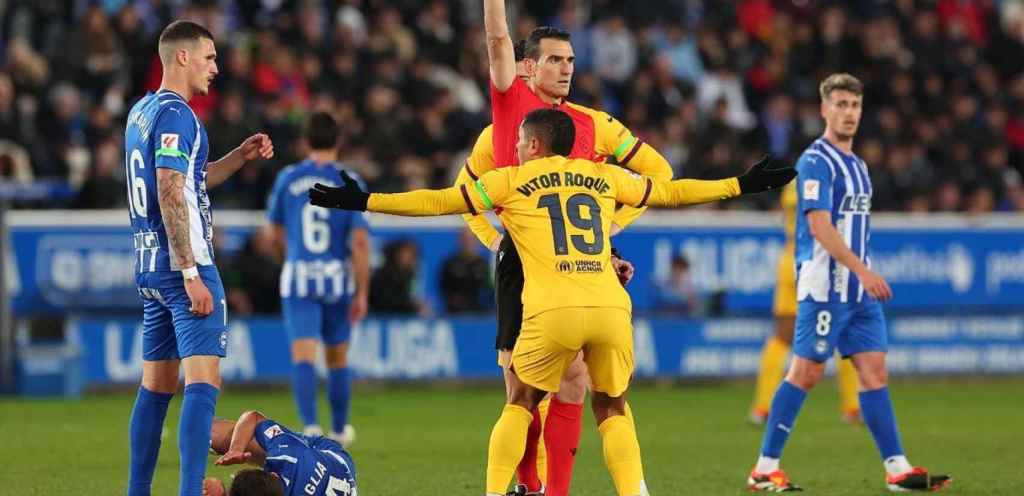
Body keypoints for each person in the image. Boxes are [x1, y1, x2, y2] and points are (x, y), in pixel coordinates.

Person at [308, 107, 795, 496]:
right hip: (608, 307)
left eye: (520, 140)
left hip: (551, 311)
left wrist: (365, 201)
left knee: (521, 401)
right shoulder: (602, 178)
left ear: (535, 145)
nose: (515, 147)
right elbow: (671, 192)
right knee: (612, 407)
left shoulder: (511, 182)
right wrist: (741, 184)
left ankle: (497, 493)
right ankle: (637, 491)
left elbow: (437, 201)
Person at [468, 0, 678, 490]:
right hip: (521, 259)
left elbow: (656, 175)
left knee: (574, 383)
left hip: (579, 262)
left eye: (570, 60)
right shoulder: (509, 107)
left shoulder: (590, 126)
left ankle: (552, 490)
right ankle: (529, 485)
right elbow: (495, 38)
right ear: (529, 65)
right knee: (521, 389)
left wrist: (610, 232)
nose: (565, 68)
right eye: (555, 59)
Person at [746, 74, 951, 493]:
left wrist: (861, 274)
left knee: (874, 371)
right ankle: (764, 468)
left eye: (855, 105)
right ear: (824, 110)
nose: (849, 113)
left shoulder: (858, 166)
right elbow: (819, 226)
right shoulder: (815, 161)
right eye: (840, 104)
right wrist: (863, 270)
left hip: (858, 292)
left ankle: (897, 469)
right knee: (804, 372)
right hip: (825, 287)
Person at [124, 20, 274, 496]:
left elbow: (189, 178)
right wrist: (191, 271)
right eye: (209, 58)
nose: (217, 67)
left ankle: (138, 491)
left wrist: (237, 157)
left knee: (156, 386)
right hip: (181, 264)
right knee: (203, 384)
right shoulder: (178, 115)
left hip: (149, 265)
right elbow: (170, 189)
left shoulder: (142, 111)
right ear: (183, 57)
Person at [266, 111, 370, 447]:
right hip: (337, 279)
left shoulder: (288, 178)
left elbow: (275, 234)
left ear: (305, 142)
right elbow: (359, 242)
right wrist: (362, 291)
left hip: (299, 278)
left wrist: (291, 261)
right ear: (339, 141)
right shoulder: (350, 181)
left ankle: (310, 427)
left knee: (303, 354)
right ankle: (339, 430)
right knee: (338, 358)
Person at [748, 180, 862, 426]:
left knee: (782, 336)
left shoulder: (793, 184)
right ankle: (853, 406)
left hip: (791, 259)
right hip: (820, 261)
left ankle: (762, 407)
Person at [206, 409, 357, 496]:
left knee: (211, 431)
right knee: (215, 433)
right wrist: (236, 449)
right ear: (274, 475)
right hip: (336, 461)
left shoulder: (287, 456)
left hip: (329, 473)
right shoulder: (288, 454)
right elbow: (254, 418)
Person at [440, 229, 493, 314]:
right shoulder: (451, 264)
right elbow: (443, 287)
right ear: (460, 241)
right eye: (465, 240)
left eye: (471, 240)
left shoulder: (484, 264)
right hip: (456, 312)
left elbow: (491, 289)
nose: (468, 243)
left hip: (480, 311)